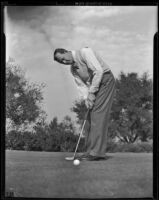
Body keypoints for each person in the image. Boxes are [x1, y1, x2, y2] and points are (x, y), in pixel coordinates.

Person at [53, 47, 116, 161]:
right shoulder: (73, 70)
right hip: (94, 85)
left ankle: (97, 153)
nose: (64, 62)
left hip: (106, 81)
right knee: (88, 118)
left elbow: (99, 71)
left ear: (66, 52)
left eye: (63, 59)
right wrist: (87, 98)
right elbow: (81, 86)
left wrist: (91, 92)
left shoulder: (85, 52)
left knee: (97, 114)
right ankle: (89, 151)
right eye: (61, 62)